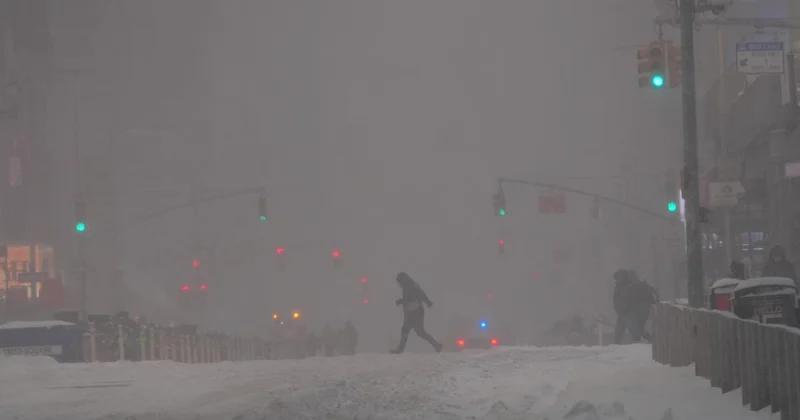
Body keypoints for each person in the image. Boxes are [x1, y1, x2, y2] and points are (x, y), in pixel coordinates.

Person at [390, 272, 442, 354]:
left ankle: (400, 349)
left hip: (416, 312)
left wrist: (428, 302)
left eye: (399, 282)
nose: (399, 284)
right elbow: (411, 298)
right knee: (419, 332)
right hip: (414, 311)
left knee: (406, 329)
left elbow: (419, 294)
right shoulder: (408, 286)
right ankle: (437, 345)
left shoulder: (410, 286)